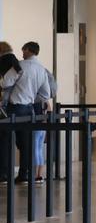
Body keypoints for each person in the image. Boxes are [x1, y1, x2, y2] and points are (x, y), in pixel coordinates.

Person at [1, 42, 50, 184]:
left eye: (23, 50)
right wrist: (32, 97)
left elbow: (6, 83)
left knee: (6, 140)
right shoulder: (42, 69)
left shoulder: (20, 65)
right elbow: (45, 93)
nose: (22, 52)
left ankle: (4, 174)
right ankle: (24, 175)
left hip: (15, 108)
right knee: (25, 143)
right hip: (29, 109)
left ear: (28, 50)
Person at [22, 42, 56, 184]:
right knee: (40, 147)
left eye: (23, 50)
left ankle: (35, 174)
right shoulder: (43, 71)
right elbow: (48, 103)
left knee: (34, 145)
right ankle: (39, 174)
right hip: (43, 119)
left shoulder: (33, 97)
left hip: (35, 117)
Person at [0, 52, 22, 184]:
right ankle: (6, 173)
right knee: (8, 143)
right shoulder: (18, 71)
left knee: (4, 143)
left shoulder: (8, 77)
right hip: (14, 112)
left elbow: (5, 94)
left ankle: (4, 173)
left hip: (6, 113)